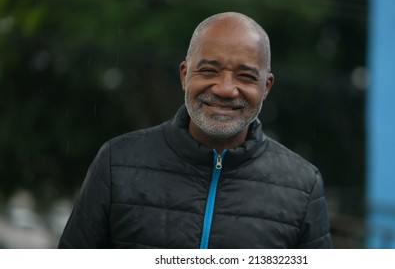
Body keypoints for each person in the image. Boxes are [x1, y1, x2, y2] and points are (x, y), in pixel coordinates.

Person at [58, 12, 332, 249]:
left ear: (267, 87)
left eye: (246, 76)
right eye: (209, 71)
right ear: (184, 75)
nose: (225, 88)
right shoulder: (116, 162)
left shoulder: (302, 186)